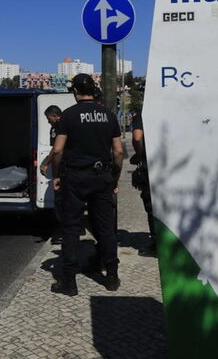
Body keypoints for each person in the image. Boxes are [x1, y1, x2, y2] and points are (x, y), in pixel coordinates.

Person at [50, 73, 124, 296]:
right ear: (94, 89)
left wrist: (56, 175)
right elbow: (118, 151)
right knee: (105, 227)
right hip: (102, 177)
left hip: (74, 177)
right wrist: (115, 178)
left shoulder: (68, 116)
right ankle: (111, 276)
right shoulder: (109, 115)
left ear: (75, 91)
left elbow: (58, 149)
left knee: (71, 229)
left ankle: (69, 282)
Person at [131, 110, 156, 256]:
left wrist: (140, 156)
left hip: (151, 164)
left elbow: (137, 137)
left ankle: (156, 243)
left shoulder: (145, 113)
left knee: (151, 203)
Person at [39, 105, 64, 243]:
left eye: (48, 119)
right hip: (73, 168)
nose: (48, 122)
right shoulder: (68, 123)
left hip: (63, 169)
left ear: (54, 116)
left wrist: (46, 164)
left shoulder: (58, 126)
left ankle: (62, 233)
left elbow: (56, 149)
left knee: (60, 202)